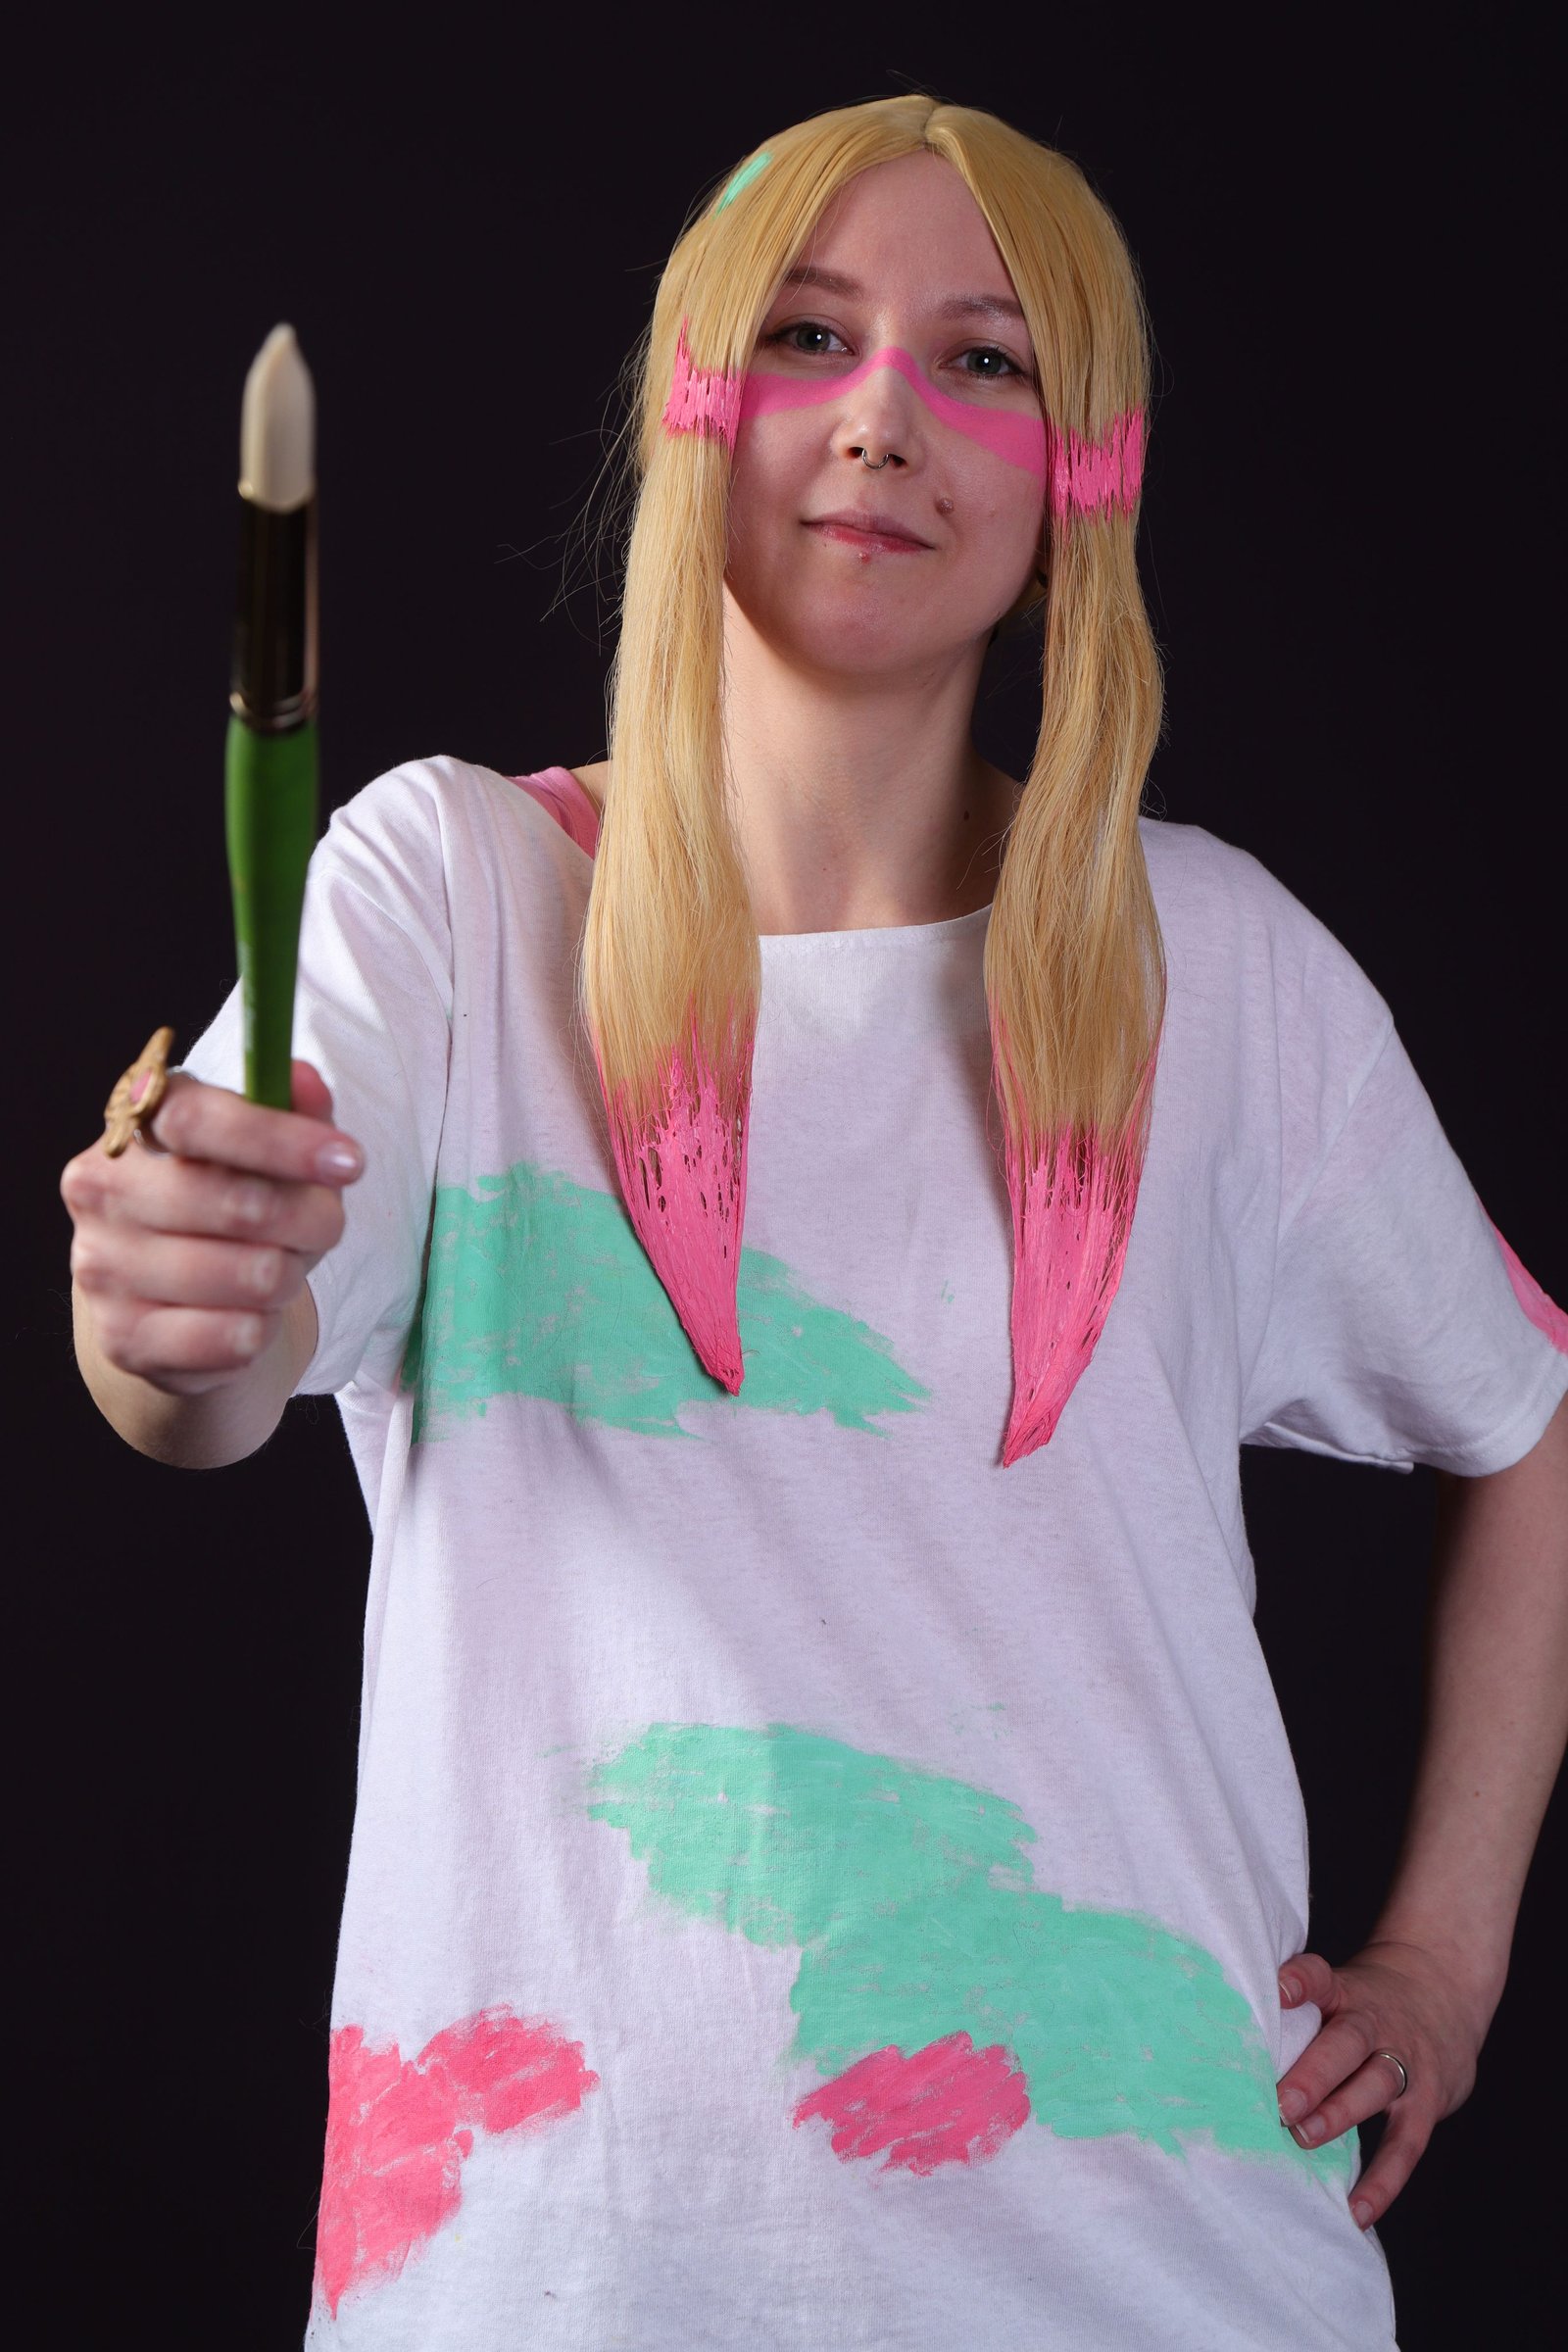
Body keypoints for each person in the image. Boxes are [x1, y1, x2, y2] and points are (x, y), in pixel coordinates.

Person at [60, 94, 1568, 2352]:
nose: (881, 417)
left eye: (982, 359)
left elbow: (1524, 1419)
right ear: (690, 405)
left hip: (1172, 2286)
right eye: (803, 333)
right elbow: (220, 1366)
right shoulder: (447, 892)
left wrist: (1441, 1961)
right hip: (551, 2284)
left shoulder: (1224, 967)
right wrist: (161, 1306)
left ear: (1079, 477)